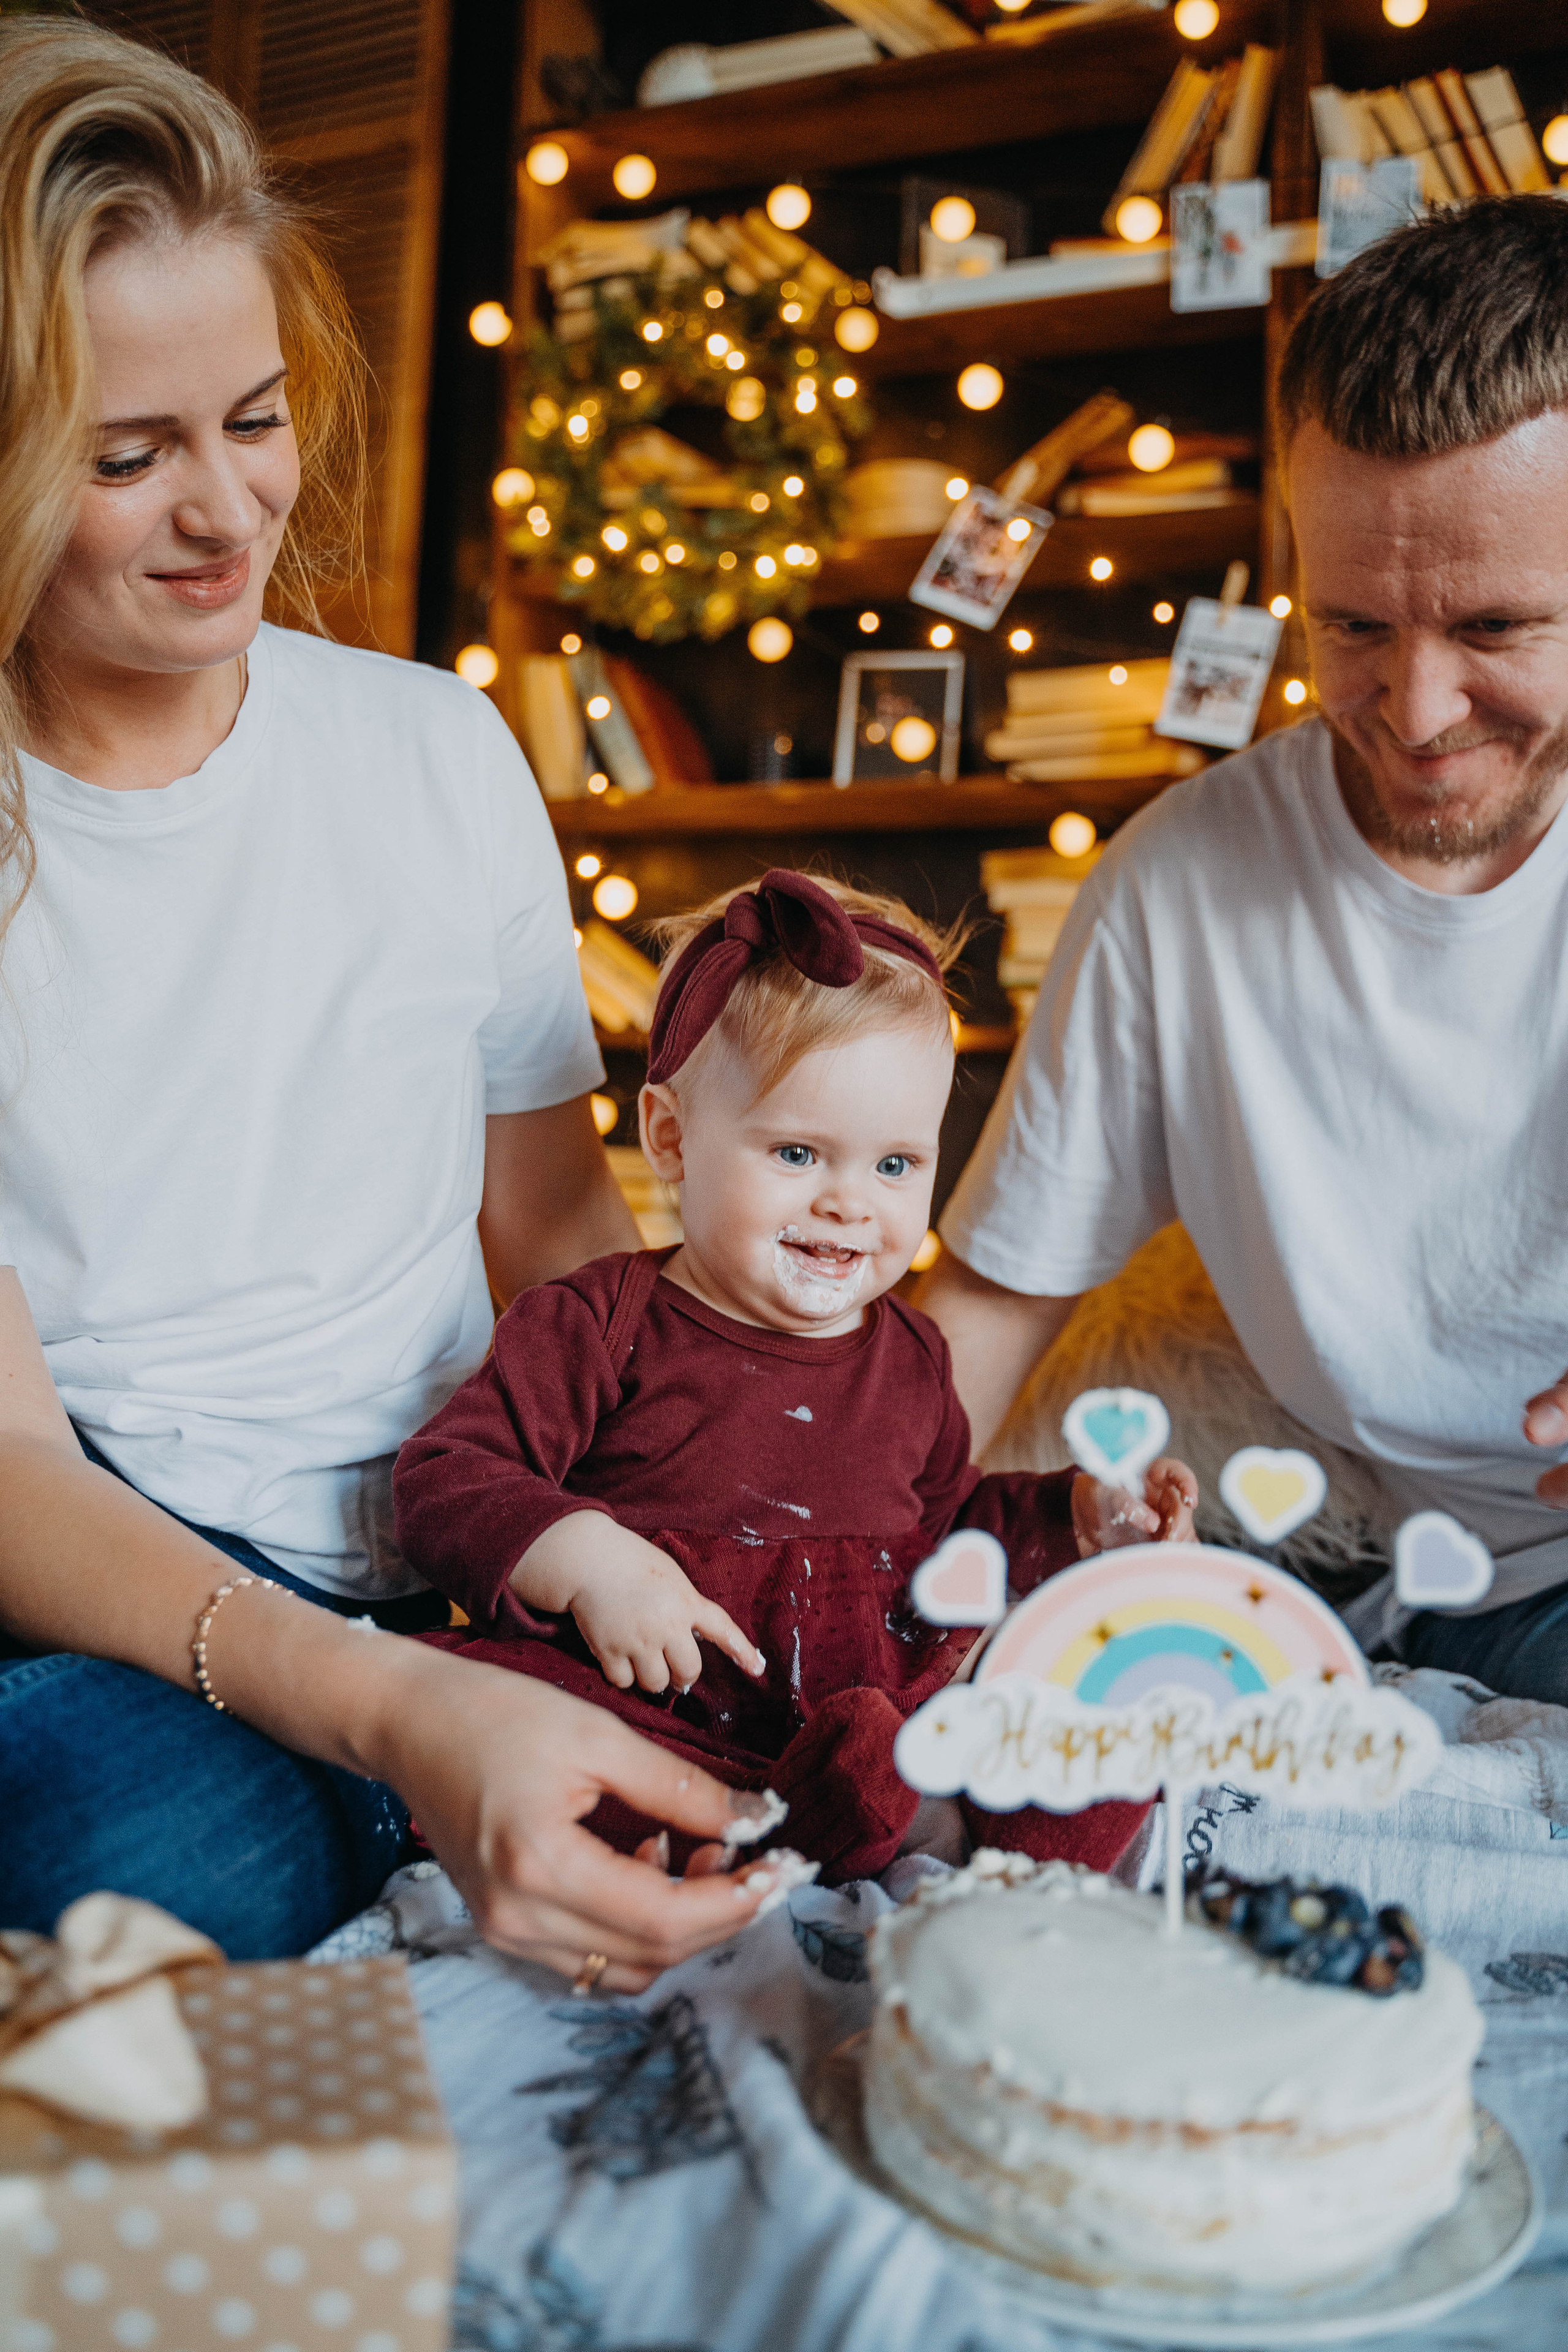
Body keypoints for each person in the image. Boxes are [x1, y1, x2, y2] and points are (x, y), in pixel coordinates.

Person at [0, 16, 801, 1985]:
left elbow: (550, 1230)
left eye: (253, 419)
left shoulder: (437, 749)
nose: (227, 514)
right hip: (131, 1564)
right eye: (126, 456)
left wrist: (666, 1529)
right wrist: (382, 1706)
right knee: (95, 1833)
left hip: (484, 1518)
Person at [919, 195, 1568, 1706]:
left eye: (1491, 627)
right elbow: (991, 1310)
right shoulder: (1176, 885)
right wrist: (789, 1539)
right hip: (1332, 1573)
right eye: (1348, 626)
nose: (1411, 714)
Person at [394, 870, 1199, 1882]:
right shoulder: (598, 1323)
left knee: (1071, 1692)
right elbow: (446, 1478)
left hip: (871, 1704)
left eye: (896, 1166)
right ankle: (798, 1825)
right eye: (799, 1153)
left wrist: (1075, 1514)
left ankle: (1000, 1828)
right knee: (463, 1705)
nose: (851, 1205)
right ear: (672, 1139)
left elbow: (953, 1527)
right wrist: (590, 1560)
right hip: (667, 1708)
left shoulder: (912, 1358)